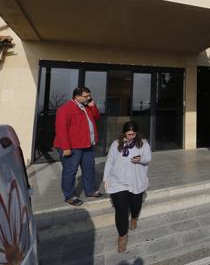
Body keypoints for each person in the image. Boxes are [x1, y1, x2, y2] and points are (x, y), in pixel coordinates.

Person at [103, 121, 152, 253]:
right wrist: (106, 178)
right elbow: (110, 161)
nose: (131, 136)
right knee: (121, 210)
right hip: (118, 181)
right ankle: (122, 237)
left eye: (133, 134)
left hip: (136, 181)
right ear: (124, 133)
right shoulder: (116, 144)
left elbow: (148, 158)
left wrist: (140, 159)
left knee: (135, 204)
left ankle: (134, 217)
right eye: (128, 134)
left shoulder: (143, 143)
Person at [54, 86, 105, 207]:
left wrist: (92, 106)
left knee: (89, 168)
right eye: (86, 96)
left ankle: (90, 191)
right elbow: (61, 129)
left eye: (90, 95)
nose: (89, 98)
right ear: (77, 97)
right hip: (72, 147)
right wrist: (66, 147)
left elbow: (96, 117)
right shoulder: (65, 108)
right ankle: (70, 196)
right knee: (70, 171)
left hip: (86, 145)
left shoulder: (86, 107)